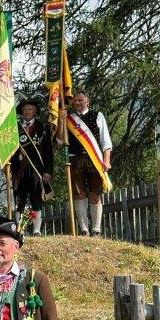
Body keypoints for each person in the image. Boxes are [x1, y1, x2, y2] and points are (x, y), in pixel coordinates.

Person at [66, 91, 112, 236]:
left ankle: (96, 229)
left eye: (81, 100)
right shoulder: (68, 119)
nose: (78, 103)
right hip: (74, 159)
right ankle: (84, 229)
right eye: (75, 101)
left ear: (87, 102)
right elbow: (61, 140)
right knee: (79, 193)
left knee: (95, 193)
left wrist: (107, 160)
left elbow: (106, 141)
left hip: (94, 159)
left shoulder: (97, 115)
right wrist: (61, 120)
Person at [11, 99, 54, 236]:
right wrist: (11, 170)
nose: (27, 111)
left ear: (35, 111)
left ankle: (36, 230)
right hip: (19, 170)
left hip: (37, 170)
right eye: (25, 109)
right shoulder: (15, 128)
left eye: (30, 109)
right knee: (19, 199)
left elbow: (49, 152)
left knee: (36, 199)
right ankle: (19, 230)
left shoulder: (43, 127)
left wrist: (48, 171)